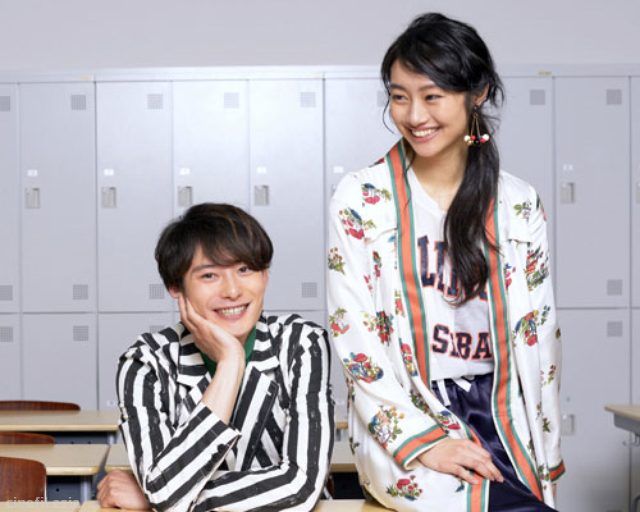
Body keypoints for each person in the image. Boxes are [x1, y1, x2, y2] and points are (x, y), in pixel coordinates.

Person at [327, 13, 563, 512]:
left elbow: (541, 339)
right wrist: (425, 442)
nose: (415, 115)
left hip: (503, 409)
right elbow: (354, 335)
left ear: (477, 94)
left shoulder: (518, 204)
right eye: (399, 96)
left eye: (432, 96)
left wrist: (546, 444)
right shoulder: (362, 199)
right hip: (412, 409)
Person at [98, 203, 334, 511]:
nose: (233, 291)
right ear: (175, 287)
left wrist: (166, 498)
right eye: (209, 275)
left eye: (245, 270)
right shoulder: (146, 364)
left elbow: (300, 486)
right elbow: (165, 491)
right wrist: (230, 363)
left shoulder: (300, 342)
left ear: (265, 276)